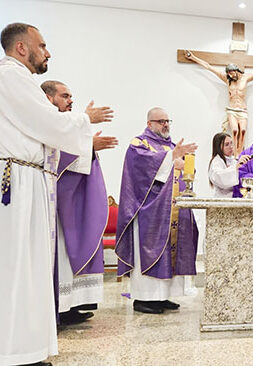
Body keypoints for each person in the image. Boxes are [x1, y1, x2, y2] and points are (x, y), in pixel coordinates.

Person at [0, 22, 113, 366]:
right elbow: (48, 123)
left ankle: (28, 347)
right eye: (43, 45)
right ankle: (16, 351)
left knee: (29, 268)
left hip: (28, 179)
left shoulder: (18, 79)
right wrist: (84, 119)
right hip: (17, 185)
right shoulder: (11, 76)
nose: (47, 52)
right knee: (19, 266)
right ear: (22, 48)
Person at [41, 80, 118, 326]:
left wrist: (88, 148)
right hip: (52, 207)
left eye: (71, 96)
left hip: (68, 205)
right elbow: (51, 155)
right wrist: (88, 146)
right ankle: (60, 308)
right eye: (65, 96)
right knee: (59, 258)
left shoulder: (67, 125)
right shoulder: (47, 121)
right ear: (49, 97)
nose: (70, 100)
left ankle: (71, 305)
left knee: (66, 257)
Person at [115, 107, 199, 314]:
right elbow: (142, 170)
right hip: (148, 212)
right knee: (150, 251)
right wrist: (172, 159)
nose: (165, 124)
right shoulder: (139, 144)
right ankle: (144, 299)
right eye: (160, 121)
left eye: (168, 120)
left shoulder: (171, 145)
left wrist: (186, 164)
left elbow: (182, 171)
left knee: (171, 252)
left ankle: (162, 297)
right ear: (149, 124)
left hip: (172, 210)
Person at [185, 51, 253, 155]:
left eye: (232, 72)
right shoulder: (227, 79)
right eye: (229, 73)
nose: (230, 75)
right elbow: (209, 67)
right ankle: (235, 153)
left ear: (236, 71)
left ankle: (240, 152)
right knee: (235, 130)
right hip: (232, 110)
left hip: (242, 110)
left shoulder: (245, 78)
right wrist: (193, 57)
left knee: (242, 130)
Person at [208, 132, 250, 198]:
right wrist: (236, 167)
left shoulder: (233, 160)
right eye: (226, 144)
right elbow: (220, 178)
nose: (231, 147)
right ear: (219, 147)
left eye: (231, 143)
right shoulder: (216, 161)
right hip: (222, 200)